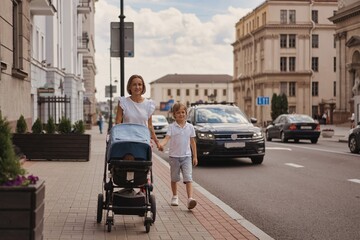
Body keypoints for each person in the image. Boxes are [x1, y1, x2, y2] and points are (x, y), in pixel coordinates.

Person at [159, 103, 198, 210]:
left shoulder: (190, 127)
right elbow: (167, 138)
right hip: (174, 157)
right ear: (174, 115)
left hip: (186, 157)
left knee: (188, 178)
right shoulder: (172, 127)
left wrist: (195, 156)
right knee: (174, 178)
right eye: (178, 113)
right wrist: (161, 144)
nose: (181, 114)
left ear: (186, 114)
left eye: (183, 112)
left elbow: (192, 142)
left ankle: (190, 199)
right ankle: (175, 196)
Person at [115, 74, 161, 149]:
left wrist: (157, 143)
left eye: (140, 84)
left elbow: (150, 126)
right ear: (129, 87)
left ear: (143, 87)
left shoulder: (149, 104)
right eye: (134, 85)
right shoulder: (123, 102)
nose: (137, 87)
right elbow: (118, 123)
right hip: (127, 139)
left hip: (143, 140)